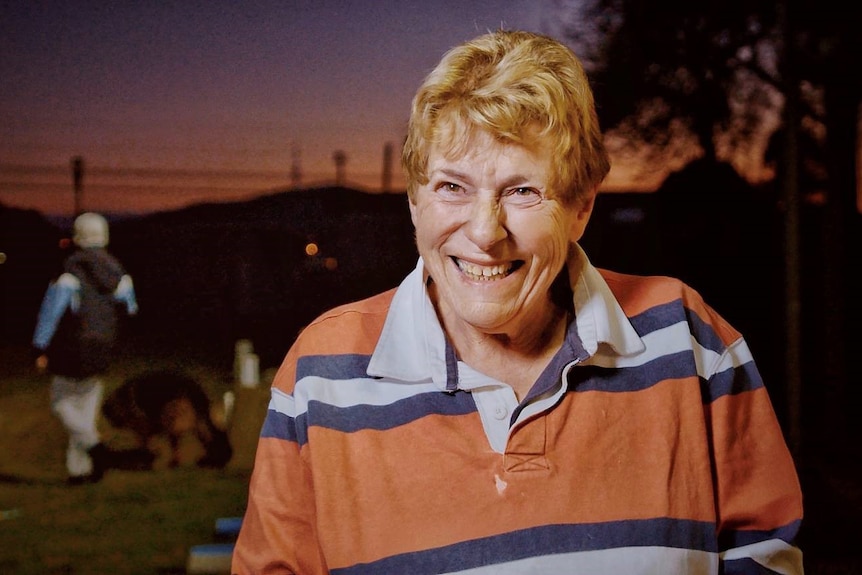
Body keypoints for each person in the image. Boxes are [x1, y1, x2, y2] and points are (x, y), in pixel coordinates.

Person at [232, 30, 803, 574]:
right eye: (451, 187)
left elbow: (768, 554)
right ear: (413, 202)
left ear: (581, 207)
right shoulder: (321, 375)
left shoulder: (689, 341)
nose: (485, 233)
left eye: (523, 191)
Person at [32, 212, 138, 484]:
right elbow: (130, 309)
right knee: (86, 407)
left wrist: (39, 346)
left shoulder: (69, 273)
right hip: (103, 348)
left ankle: (96, 450)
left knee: (62, 404)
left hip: (71, 347)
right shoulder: (119, 273)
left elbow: (50, 313)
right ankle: (81, 471)